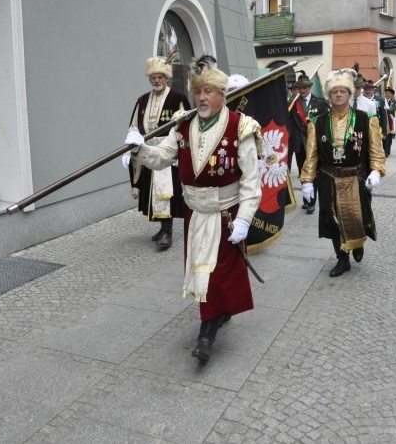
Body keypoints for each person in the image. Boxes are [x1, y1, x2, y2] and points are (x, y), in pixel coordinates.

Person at [123, 57, 263, 361]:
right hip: (194, 213)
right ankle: (220, 312)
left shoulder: (242, 127)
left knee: (215, 274)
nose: (202, 97)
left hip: (226, 214)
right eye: (198, 91)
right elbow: (162, 157)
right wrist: (141, 149)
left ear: (223, 95)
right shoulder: (183, 124)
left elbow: (252, 183)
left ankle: (206, 333)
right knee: (205, 271)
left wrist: (244, 220)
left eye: (210, 91)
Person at [299, 68, 386, 277]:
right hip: (329, 178)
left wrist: (376, 171)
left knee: (358, 217)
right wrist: (307, 181)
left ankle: (357, 244)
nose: (338, 95)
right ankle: (342, 259)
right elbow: (311, 154)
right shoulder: (317, 122)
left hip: (357, 177)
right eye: (334, 92)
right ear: (329, 96)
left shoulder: (366, 119)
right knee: (333, 220)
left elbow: (376, 150)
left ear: (349, 93)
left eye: (343, 91)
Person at [123, 57, 191, 250]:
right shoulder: (142, 100)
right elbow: (134, 128)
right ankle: (162, 229)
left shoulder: (178, 98)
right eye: (153, 77)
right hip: (148, 153)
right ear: (149, 79)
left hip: (168, 154)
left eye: (160, 76)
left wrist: (182, 150)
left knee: (165, 195)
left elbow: (186, 127)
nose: (157, 80)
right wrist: (129, 150)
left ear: (166, 78)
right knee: (153, 194)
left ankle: (168, 233)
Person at [287, 71, 329, 214]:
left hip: (314, 144)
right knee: (302, 171)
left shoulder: (320, 103)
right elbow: (290, 124)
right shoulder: (293, 104)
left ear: (310, 87)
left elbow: (326, 123)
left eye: (305, 88)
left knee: (313, 172)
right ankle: (306, 199)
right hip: (299, 145)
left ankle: (312, 201)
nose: (302, 90)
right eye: (300, 88)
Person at [382, 87, 396, 157]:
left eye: (389, 93)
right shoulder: (382, 101)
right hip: (383, 120)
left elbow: (392, 110)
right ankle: (383, 150)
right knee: (383, 136)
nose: (387, 94)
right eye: (386, 93)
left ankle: (387, 151)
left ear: (392, 94)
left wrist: (384, 110)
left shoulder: (394, 102)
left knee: (389, 137)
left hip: (390, 121)